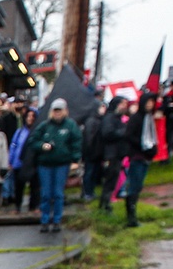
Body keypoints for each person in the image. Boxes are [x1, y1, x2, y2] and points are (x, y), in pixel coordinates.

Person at [28, 98, 82, 233]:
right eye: (55, 110)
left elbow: (76, 142)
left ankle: (57, 220)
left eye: (59, 110)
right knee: (46, 194)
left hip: (62, 164)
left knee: (58, 193)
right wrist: (42, 146)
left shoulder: (70, 125)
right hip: (45, 164)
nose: (57, 113)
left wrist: (75, 160)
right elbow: (32, 141)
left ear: (65, 111)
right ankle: (45, 220)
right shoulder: (45, 126)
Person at [122, 92, 161, 228]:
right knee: (134, 186)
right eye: (148, 102)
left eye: (152, 102)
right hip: (137, 156)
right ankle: (131, 217)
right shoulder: (136, 118)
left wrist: (152, 148)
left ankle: (133, 214)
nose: (150, 105)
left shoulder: (149, 118)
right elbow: (129, 135)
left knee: (138, 186)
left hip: (146, 156)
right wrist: (142, 146)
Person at [97, 97, 130, 213]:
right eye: (122, 104)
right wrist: (124, 132)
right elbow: (107, 133)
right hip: (111, 154)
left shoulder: (118, 118)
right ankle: (105, 204)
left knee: (113, 180)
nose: (124, 106)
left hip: (117, 153)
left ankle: (105, 204)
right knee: (109, 180)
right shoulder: (110, 118)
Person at [7, 107, 39, 213]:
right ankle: (17, 206)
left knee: (35, 186)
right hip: (18, 162)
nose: (30, 118)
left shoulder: (38, 131)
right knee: (18, 186)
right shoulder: (20, 131)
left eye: (32, 116)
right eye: (28, 116)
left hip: (33, 163)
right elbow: (13, 146)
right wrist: (10, 161)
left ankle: (33, 206)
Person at [79, 101, 106, 201]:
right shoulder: (91, 121)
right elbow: (89, 138)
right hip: (91, 153)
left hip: (96, 152)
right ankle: (87, 192)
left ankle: (90, 191)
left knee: (93, 173)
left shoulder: (98, 120)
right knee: (89, 173)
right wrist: (90, 151)